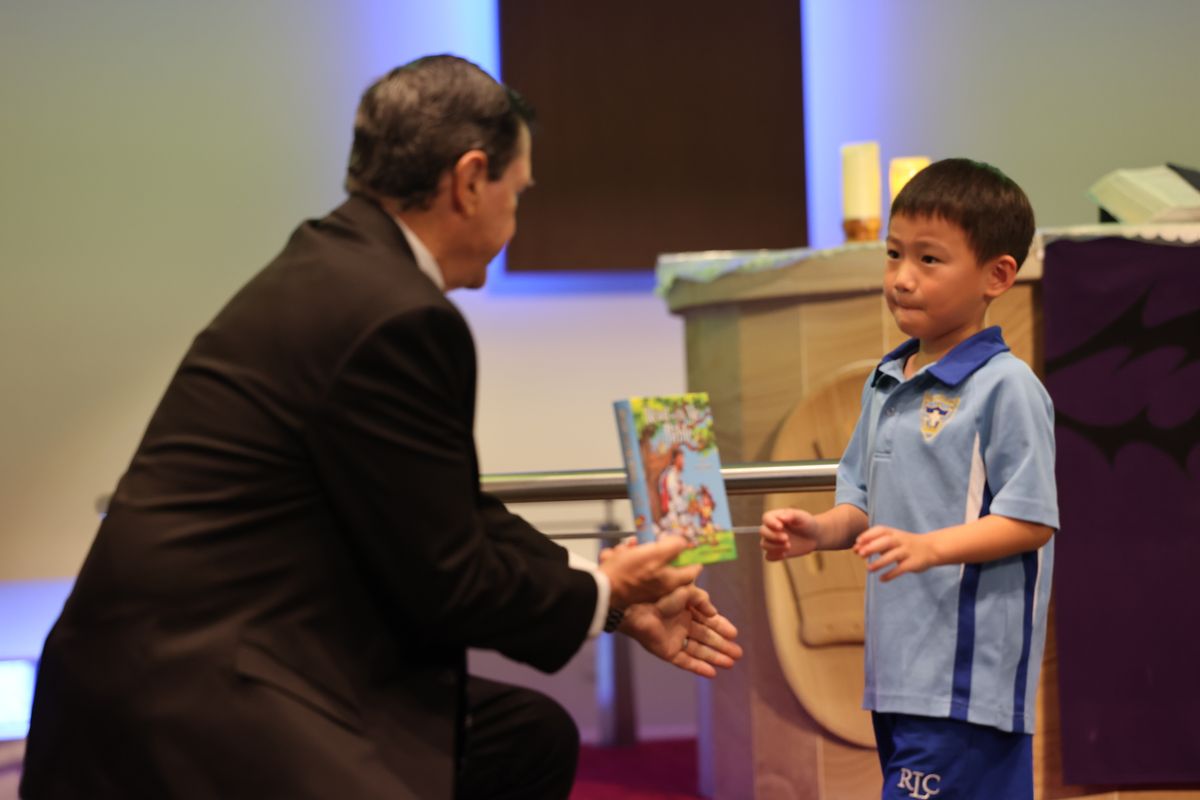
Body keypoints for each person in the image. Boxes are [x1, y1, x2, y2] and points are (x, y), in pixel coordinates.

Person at [21, 55, 742, 800]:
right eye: (518, 192)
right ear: (470, 180)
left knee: (526, 739)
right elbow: (451, 581)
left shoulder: (336, 263)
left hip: (195, 655)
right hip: (193, 690)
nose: (515, 219)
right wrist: (605, 592)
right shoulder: (399, 315)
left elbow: (450, 514)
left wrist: (614, 599)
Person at [760, 159, 1058, 800]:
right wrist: (818, 531)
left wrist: (929, 546)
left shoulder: (1006, 387)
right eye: (894, 254)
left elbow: (1031, 519)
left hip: (963, 682)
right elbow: (863, 504)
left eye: (929, 259)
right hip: (897, 672)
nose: (901, 278)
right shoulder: (886, 382)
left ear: (997, 276)